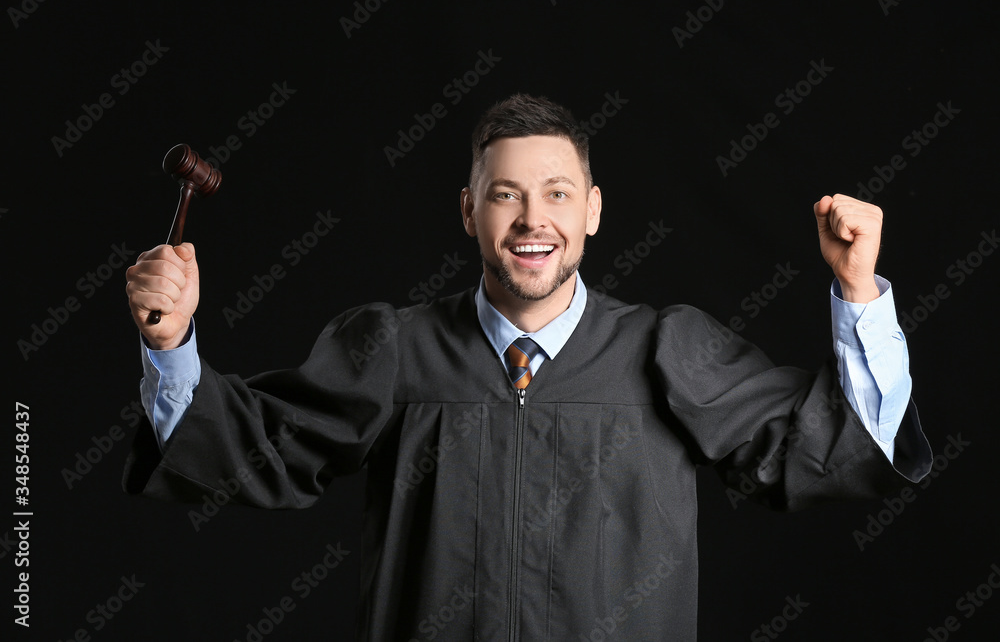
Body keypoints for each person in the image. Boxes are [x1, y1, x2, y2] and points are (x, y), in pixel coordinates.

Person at [124, 94, 932, 641]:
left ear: (593, 209)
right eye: (505, 195)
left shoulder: (665, 352)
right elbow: (254, 451)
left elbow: (835, 446)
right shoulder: (395, 350)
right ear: (469, 209)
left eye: (556, 193)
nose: (532, 219)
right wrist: (172, 343)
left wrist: (858, 293)